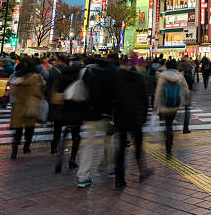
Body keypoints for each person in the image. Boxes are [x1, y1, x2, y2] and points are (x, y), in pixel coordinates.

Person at [77, 54, 119, 188]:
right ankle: (111, 169)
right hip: (106, 115)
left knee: (88, 145)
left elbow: (82, 91)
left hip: (89, 114)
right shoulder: (113, 73)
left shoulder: (87, 72)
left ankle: (82, 177)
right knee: (109, 141)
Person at [112, 59, 151, 190]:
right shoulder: (139, 78)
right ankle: (142, 171)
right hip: (136, 117)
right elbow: (145, 99)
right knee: (138, 146)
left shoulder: (117, 77)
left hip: (120, 117)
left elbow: (112, 97)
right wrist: (144, 116)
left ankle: (119, 179)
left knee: (121, 149)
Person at [49, 56, 82, 171]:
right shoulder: (78, 81)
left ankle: (59, 161)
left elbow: (55, 91)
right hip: (76, 110)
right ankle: (72, 159)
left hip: (63, 108)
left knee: (62, 134)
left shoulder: (62, 77)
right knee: (76, 136)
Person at [9, 59, 44, 160]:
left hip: (18, 106)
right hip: (30, 105)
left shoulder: (15, 77)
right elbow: (39, 92)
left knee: (18, 129)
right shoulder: (36, 78)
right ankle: (26, 148)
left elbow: (12, 93)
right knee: (29, 129)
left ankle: (15, 149)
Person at [153, 59, 189, 155]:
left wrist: (156, 105)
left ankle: (168, 145)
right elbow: (186, 89)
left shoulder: (163, 76)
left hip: (165, 104)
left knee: (167, 124)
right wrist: (186, 101)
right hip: (175, 104)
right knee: (171, 124)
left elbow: (158, 91)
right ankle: (170, 142)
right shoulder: (180, 76)